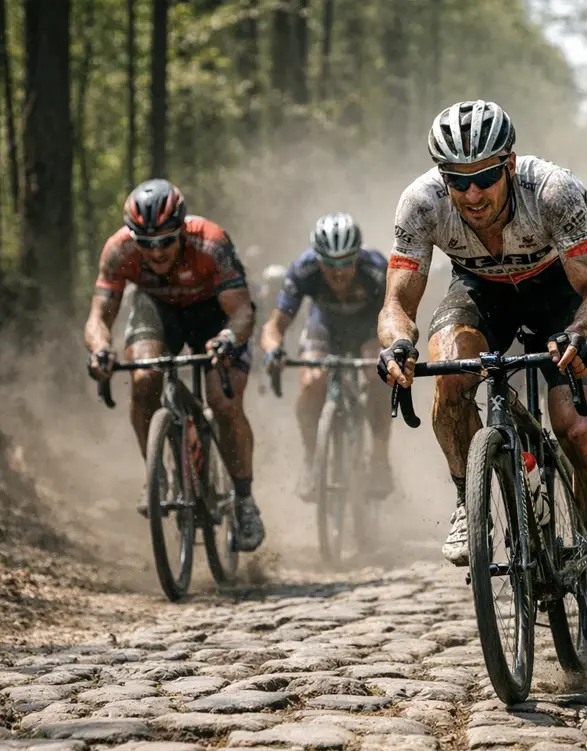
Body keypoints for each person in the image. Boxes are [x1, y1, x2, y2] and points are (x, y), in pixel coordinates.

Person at [376, 99, 587, 637]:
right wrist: (398, 345)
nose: (471, 194)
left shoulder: (553, 191)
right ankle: (468, 501)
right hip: (482, 292)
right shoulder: (421, 203)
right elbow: (398, 303)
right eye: (458, 180)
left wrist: (580, 336)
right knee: (449, 377)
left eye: (485, 177)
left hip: (562, 296)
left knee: (577, 429)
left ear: (509, 165)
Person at [84, 179, 266, 552]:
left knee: (223, 400)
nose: (156, 252)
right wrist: (101, 348)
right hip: (157, 310)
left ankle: (244, 499)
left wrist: (228, 340)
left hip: (214, 313)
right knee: (145, 377)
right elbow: (98, 316)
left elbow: (242, 311)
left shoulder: (211, 242)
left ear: (182, 229)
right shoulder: (118, 250)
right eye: (145, 243)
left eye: (166, 240)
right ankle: (158, 476)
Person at [260, 212, 394, 501]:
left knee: (377, 375)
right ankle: (312, 460)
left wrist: (393, 351)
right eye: (329, 263)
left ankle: (380, 459)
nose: (338, 272)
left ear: (358, 255)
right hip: (324, 327)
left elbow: (396, 316)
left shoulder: (376, 269)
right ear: (316, 257)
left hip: (368, 329)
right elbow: (275, 324)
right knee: (312, 381)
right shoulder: (303, 269)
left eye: (346, 262)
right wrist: (273, 349)